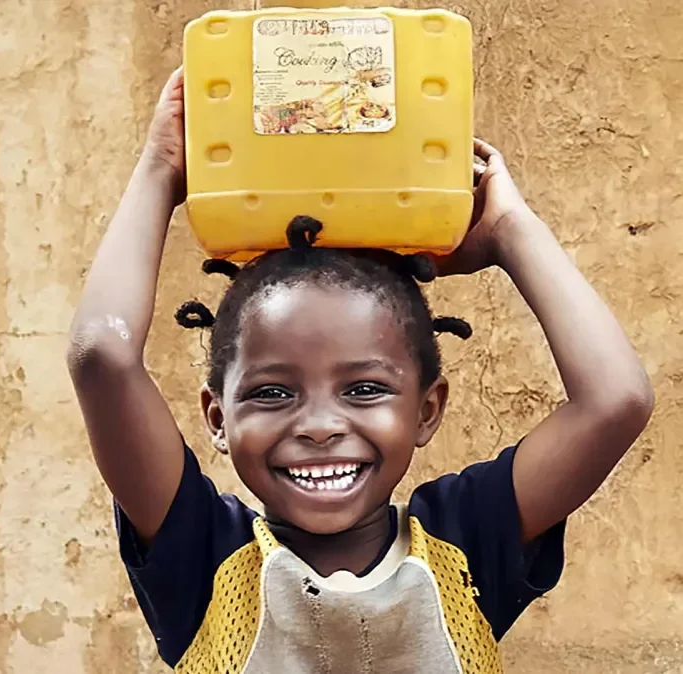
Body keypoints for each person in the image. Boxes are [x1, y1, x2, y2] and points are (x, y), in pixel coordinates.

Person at [65, 66, 654, 673]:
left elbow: (616, 401)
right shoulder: (203, 559)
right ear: (217, 416)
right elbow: (103, 357)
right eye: (272, 392)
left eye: (365, 389)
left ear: (427, 409)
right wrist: (161, 167)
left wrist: (510, 230)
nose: (320, 424)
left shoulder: (467, 545)